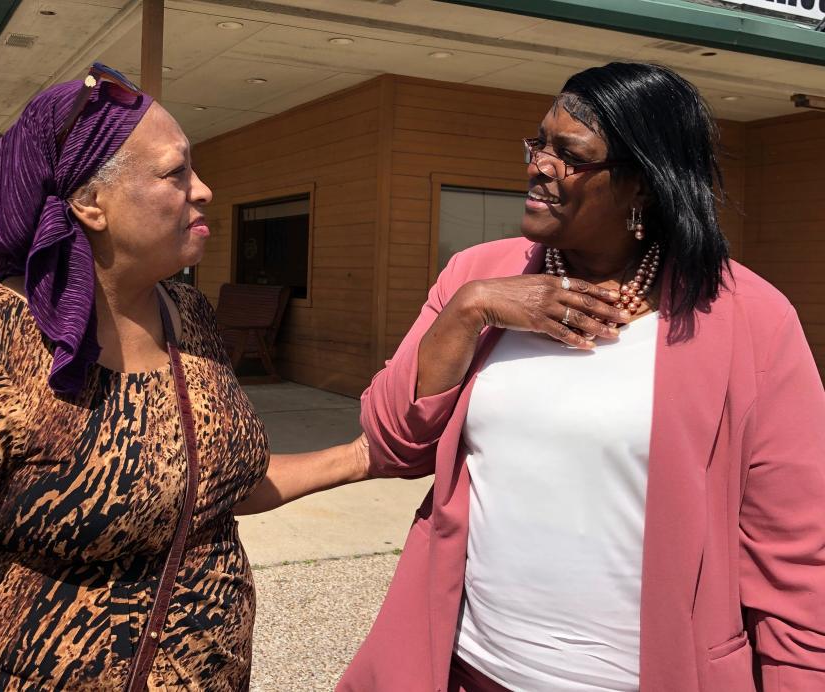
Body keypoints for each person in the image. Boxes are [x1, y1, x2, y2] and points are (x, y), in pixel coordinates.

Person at [0, 64, 369, 690]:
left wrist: (362, 456)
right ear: (88, 202)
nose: (205, 190)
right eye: (175, 172)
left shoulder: (190, 318)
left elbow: (212, 486)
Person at [340, 62, 825, 692]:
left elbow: (795, 553)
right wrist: (470, 310)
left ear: (643, 185)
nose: (538, 165)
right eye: (539, 143)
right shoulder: (478, 274)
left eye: (569, 154)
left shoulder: (748, 318)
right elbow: (394, 438)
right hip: (471, 669)